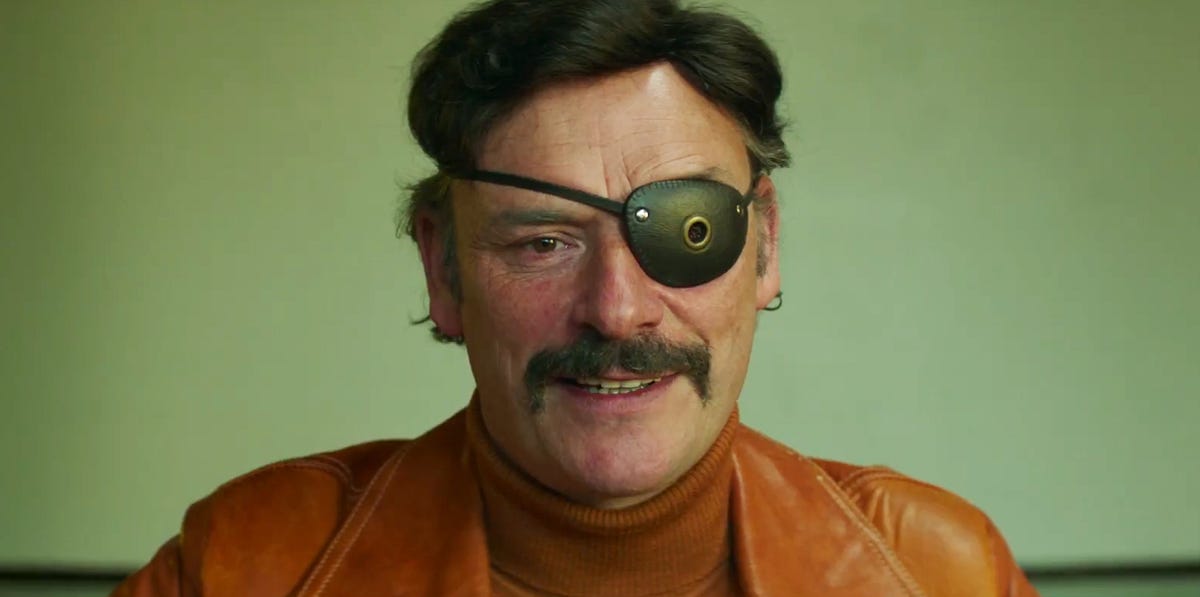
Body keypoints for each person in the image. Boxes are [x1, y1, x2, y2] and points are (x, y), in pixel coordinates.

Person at [114, 0, 1039, 595]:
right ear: (443, 269)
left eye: (687, 232)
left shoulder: (942, 575)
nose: (618, 309)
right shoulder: (242, 569)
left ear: (764, 246)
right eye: (544, 242)